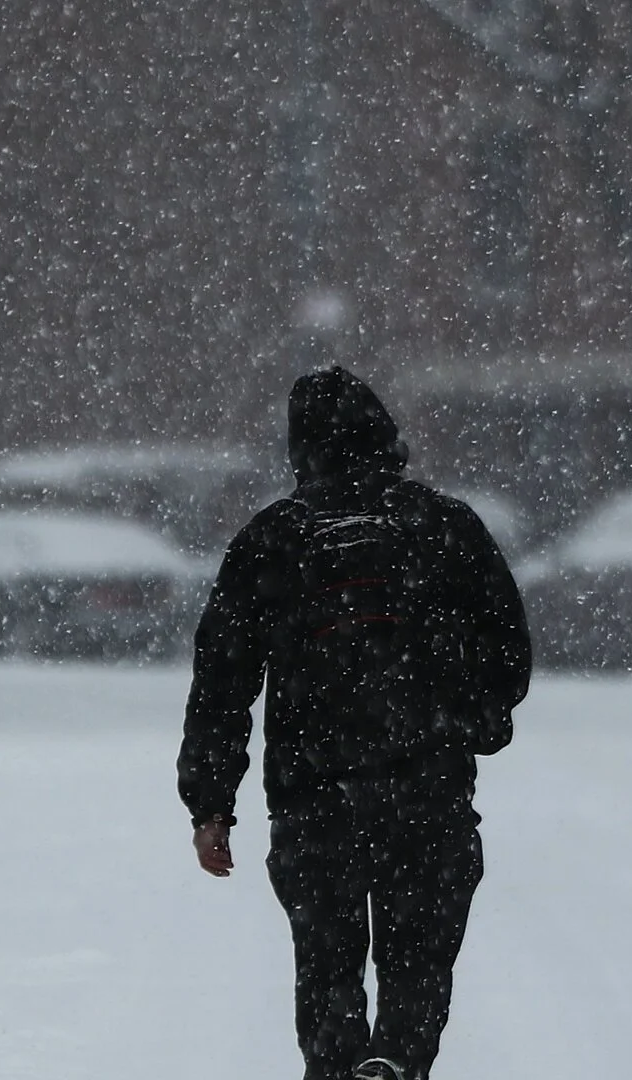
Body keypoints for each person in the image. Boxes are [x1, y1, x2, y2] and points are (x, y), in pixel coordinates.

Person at [179, 366, 532, 1080]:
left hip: (315, 800)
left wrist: (211, 802)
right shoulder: (445, 526)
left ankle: (342, 1063)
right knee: (418, 969)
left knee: (328, 974)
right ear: (386, 438)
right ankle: (397, 1060)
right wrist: (474, 720)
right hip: (427, 791)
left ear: (300, 450)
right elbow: (508, 648)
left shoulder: (273, 540)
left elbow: (223, 678)